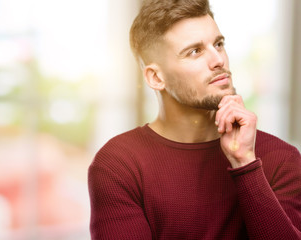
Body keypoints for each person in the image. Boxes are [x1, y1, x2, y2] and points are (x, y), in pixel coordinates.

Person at [88, 0, 301, 239]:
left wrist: (245, 164)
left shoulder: (281, 159)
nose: (218, 60)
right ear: (156, 77)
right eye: (195, 51)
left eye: (218, 44)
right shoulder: (118, 165)